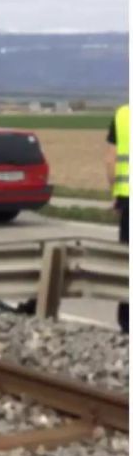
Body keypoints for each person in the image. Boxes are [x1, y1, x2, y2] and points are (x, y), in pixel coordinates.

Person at [106, 103, 129, 333]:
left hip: (128, 199)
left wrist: (115, 193)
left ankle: (127, 322)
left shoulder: (122, 115)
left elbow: (110, 161)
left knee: (127, 262)